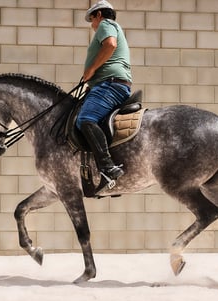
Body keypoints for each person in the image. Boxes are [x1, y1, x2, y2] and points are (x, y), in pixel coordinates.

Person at [76, 0, 132, 185]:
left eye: (91, 20)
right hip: (111, 84)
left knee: (85, 119)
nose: (92, 26)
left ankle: (107, 167)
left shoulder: (106, 25)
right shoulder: (115, 26)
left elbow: (110, 44)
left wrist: (91, 70)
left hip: (109, 85)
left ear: (99, 15)